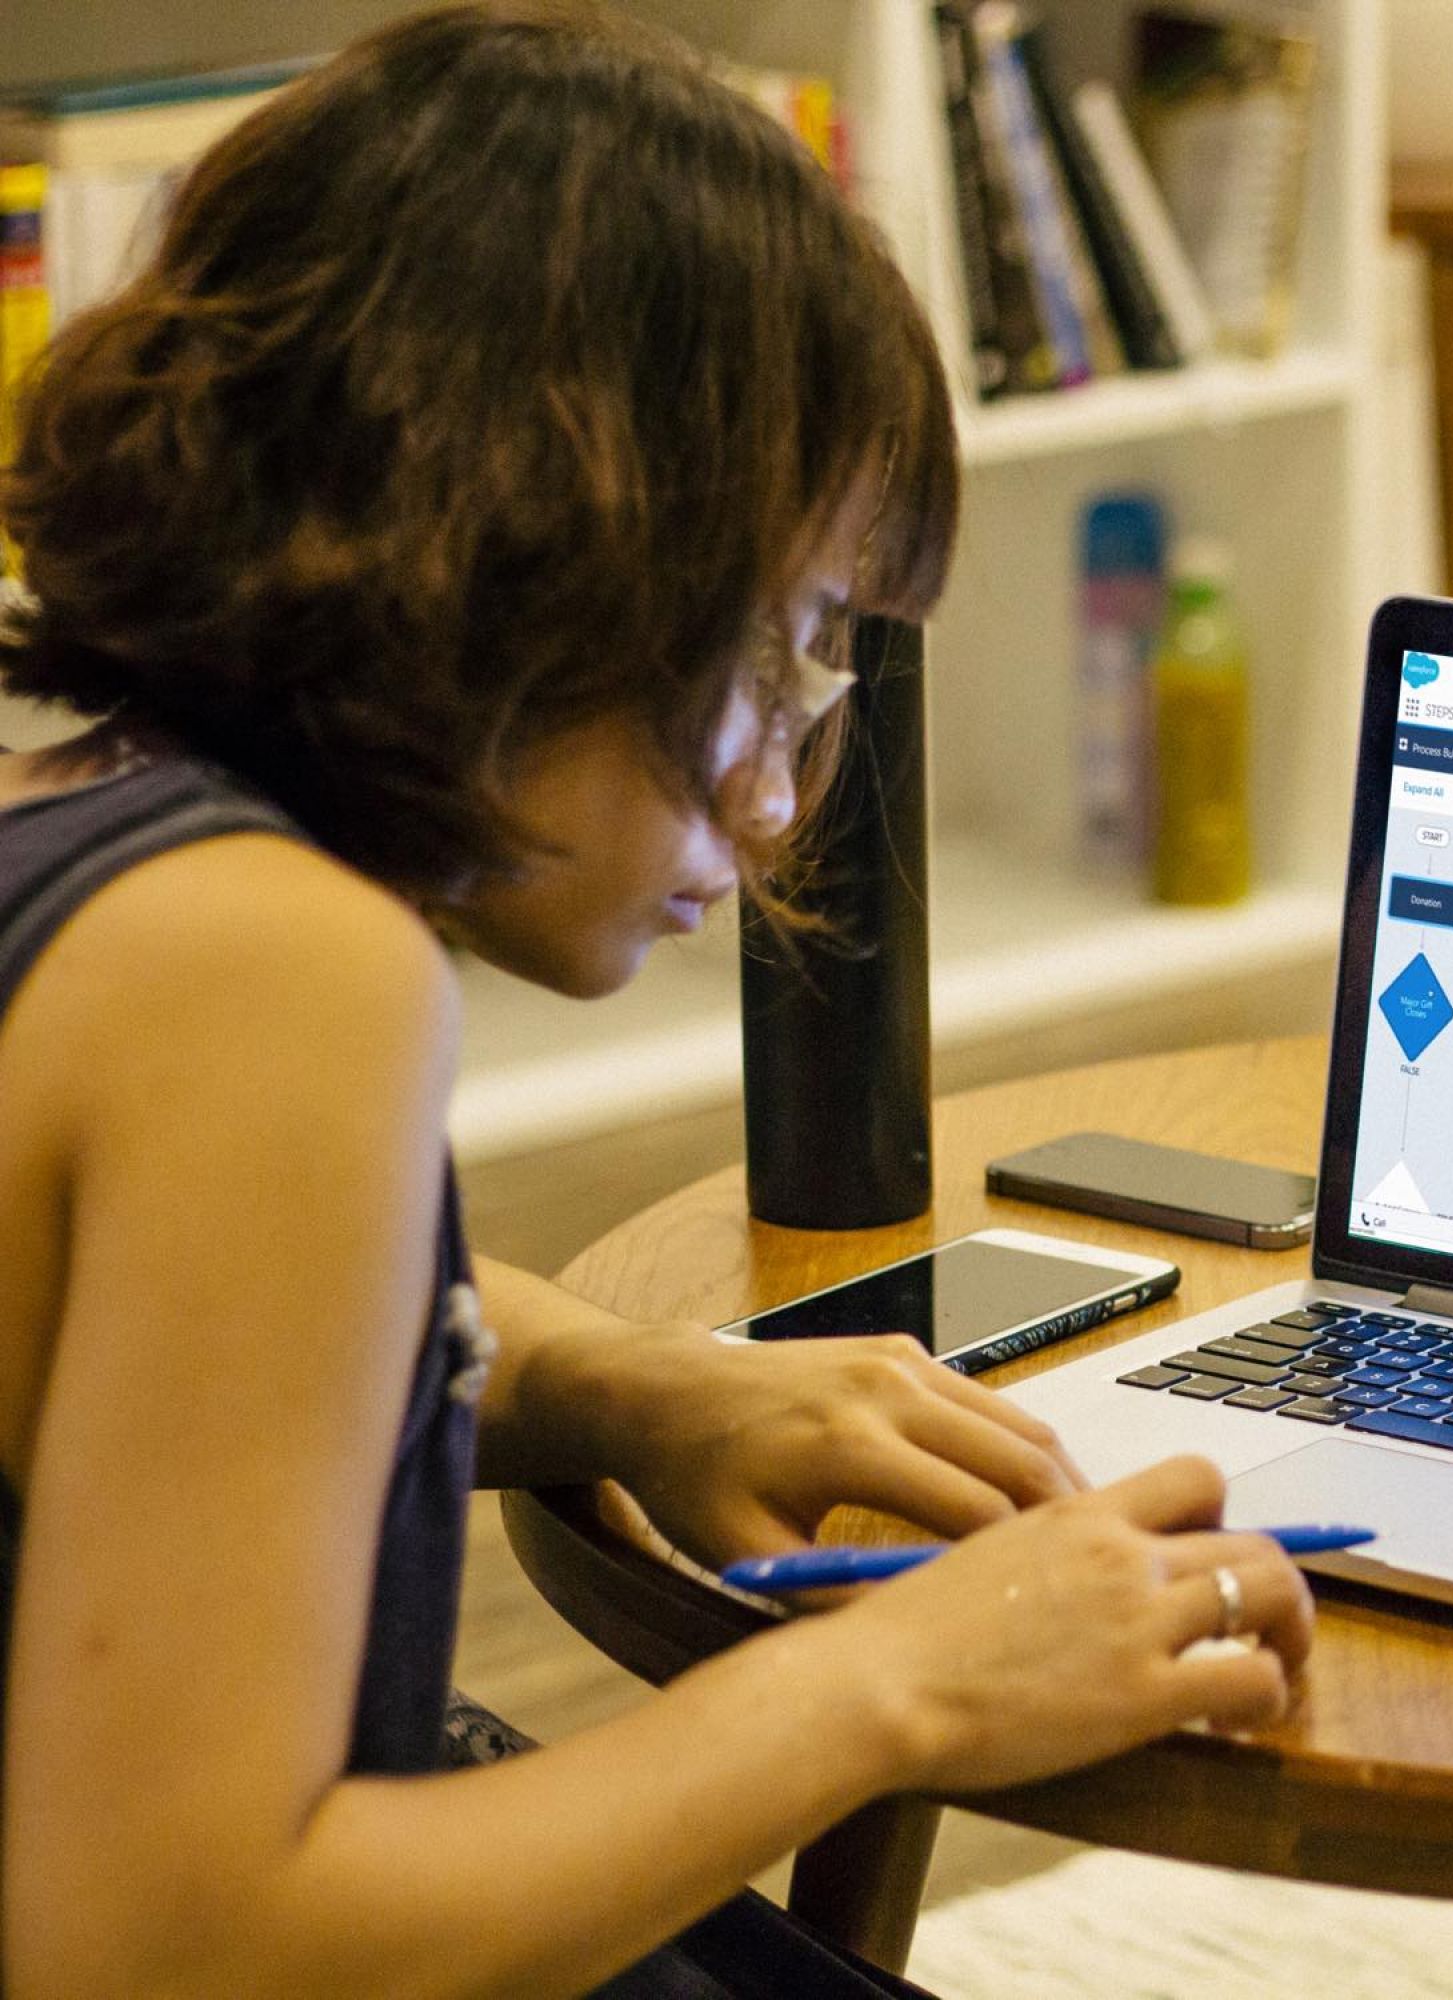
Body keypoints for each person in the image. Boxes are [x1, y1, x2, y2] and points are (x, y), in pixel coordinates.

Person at [0, 6, 1311, 1995]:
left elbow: (189, 1337)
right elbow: (168, 1944)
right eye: (779, 646)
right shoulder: (284, 975)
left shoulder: (79, 803)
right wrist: (899, 1682)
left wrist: (635, 1380)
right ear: (554, 548)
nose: (787, 791)